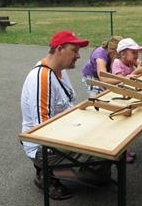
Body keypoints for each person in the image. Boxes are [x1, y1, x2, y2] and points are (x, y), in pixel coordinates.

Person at [20, 30, 110, 200]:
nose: (78, 56)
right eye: (74, 50)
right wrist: (84, 138)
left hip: (65, 133)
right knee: (103, 157)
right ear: (59, 49)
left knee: (105, 164)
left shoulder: (60, 71)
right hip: (44, 148)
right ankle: (48, 173)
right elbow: (43, 132)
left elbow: (68, 108)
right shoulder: (42, 78)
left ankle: (63, 170)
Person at [111, 38, 142, 163]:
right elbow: (121, 81)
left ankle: (126, 149)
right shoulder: (117, 63)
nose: (137, 56)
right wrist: (136, 72)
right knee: (121, 125)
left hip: (130, 96)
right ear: (123, 54)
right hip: (119, 98)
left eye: (137, 53)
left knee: (128, 125)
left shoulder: (132, 61)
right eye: (134, 53)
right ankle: (120, 152)